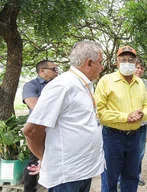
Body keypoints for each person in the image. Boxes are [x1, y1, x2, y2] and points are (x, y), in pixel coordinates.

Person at [22, 41, 105, 192]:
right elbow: (31, 131)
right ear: (89, 63)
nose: (102, 67)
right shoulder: (63, 86)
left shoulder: (84, 84)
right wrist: (45, 159)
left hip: (83, 171)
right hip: (67, 175)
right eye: (100, 62)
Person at [95, 46, 147, 192]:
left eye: (131, 60)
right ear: (117, 62)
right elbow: (99, 112)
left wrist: (141, 115)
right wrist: (126, 117)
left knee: (131, 176)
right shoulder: (106, 81)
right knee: (110, 178)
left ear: (135, 62)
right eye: (124, 59)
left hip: (135, 136)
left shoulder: (140, 83)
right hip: (113, 137)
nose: (127, 62)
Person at [22, 60, 58, 192]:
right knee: (34, 162)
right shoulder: (31, 85)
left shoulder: (58, 85)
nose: (57, 71)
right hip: (39, 131)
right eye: (53, 69)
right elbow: (36, 107)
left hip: (56, 130)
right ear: (42, 71)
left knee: (54, 161)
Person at [135, 57, 147, 186]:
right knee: (126, 152)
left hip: (142, 124)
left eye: (141, 68)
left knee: (140, 151)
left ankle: (137, 175)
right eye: (137, 67)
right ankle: (120, 179)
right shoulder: (124, 80)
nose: (139, 70)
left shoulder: (145, 83)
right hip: (128, 123)